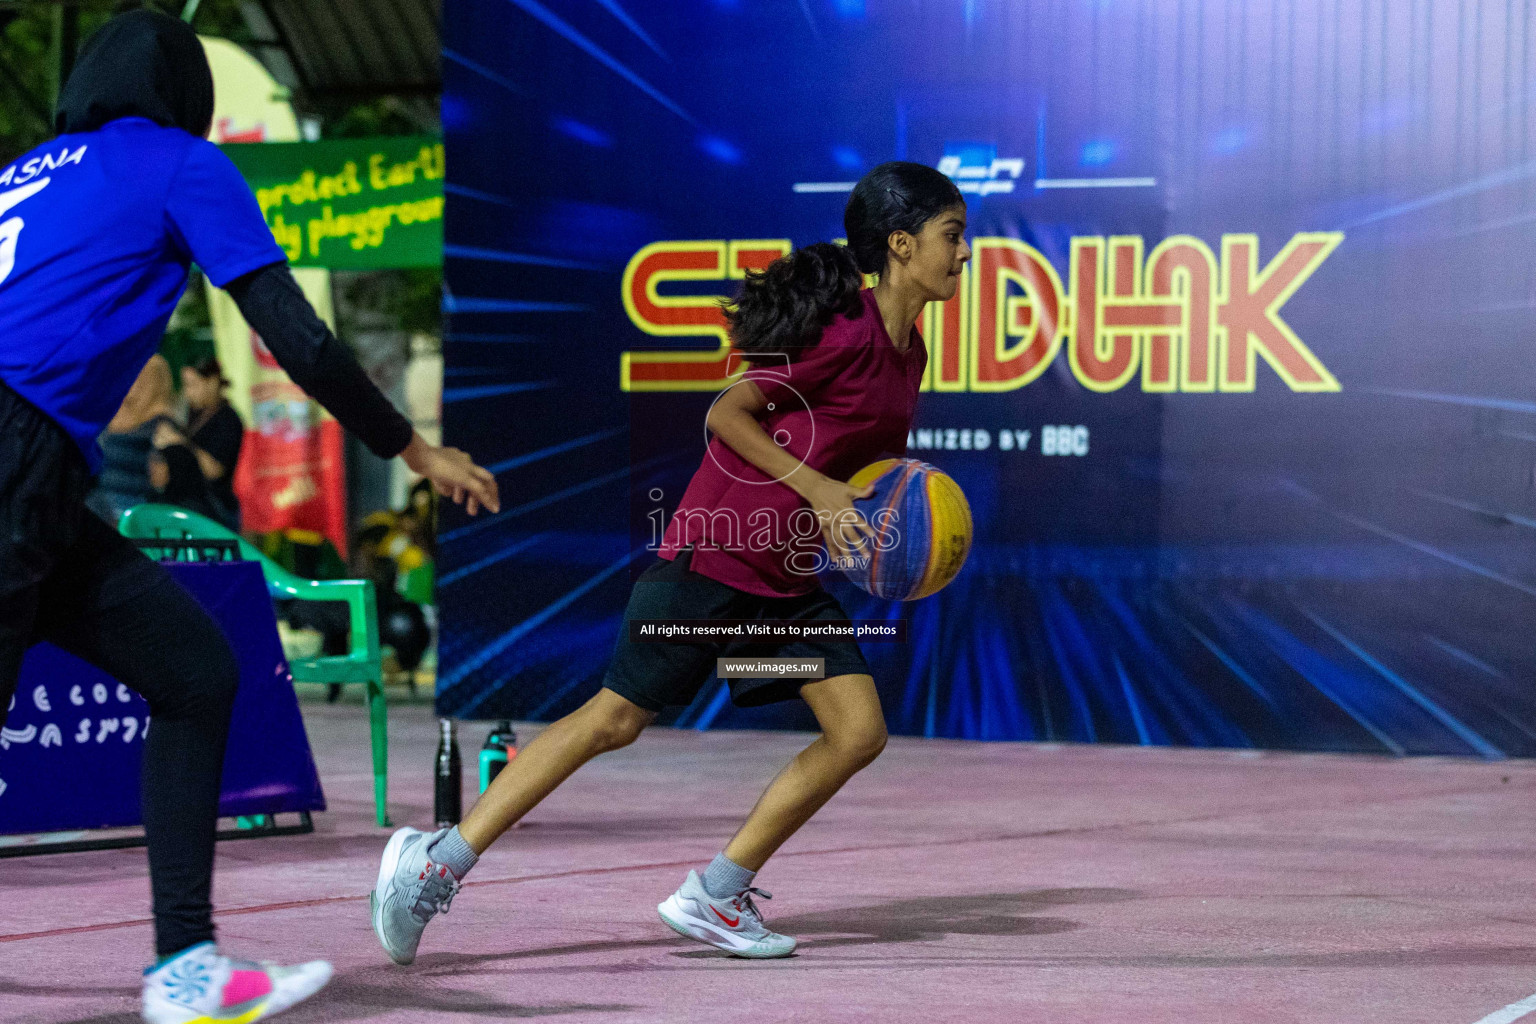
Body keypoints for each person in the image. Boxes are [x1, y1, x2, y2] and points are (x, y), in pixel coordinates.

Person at [0, 11, 499, 1023]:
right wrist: (413, 446)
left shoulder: (23, 172)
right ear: (185, 91)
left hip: (42, 477)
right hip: (17, 458)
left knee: (195, 671)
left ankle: (185, 967)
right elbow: (302, 344)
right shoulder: (181, 161)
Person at [371, 162, 969, 962]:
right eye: (952, 235)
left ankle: (716, 895)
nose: (965, 253)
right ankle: (430, 867)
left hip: (783, 583)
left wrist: (867, 530)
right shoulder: (846, 331)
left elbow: (861, 479)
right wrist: (818, 490)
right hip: (714, 557)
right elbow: (728, 412)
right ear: (902, 244)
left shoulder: (909, 353)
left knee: (857, 731)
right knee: (613, 720)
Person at [85, 353, 179, 524]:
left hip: (132, 508)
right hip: (103, 500)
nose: (130, 382)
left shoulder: (160, 423)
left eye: (138, 377)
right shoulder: (117, 414)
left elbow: (160, 478)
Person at [176, 355, 244, 528]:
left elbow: (214, 470)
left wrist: (182, 443)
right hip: (192, 504)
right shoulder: (192, 413)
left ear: (212, 382)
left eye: (193, 384)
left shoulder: (228, 420)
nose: (188, 392)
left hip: (216, 509)